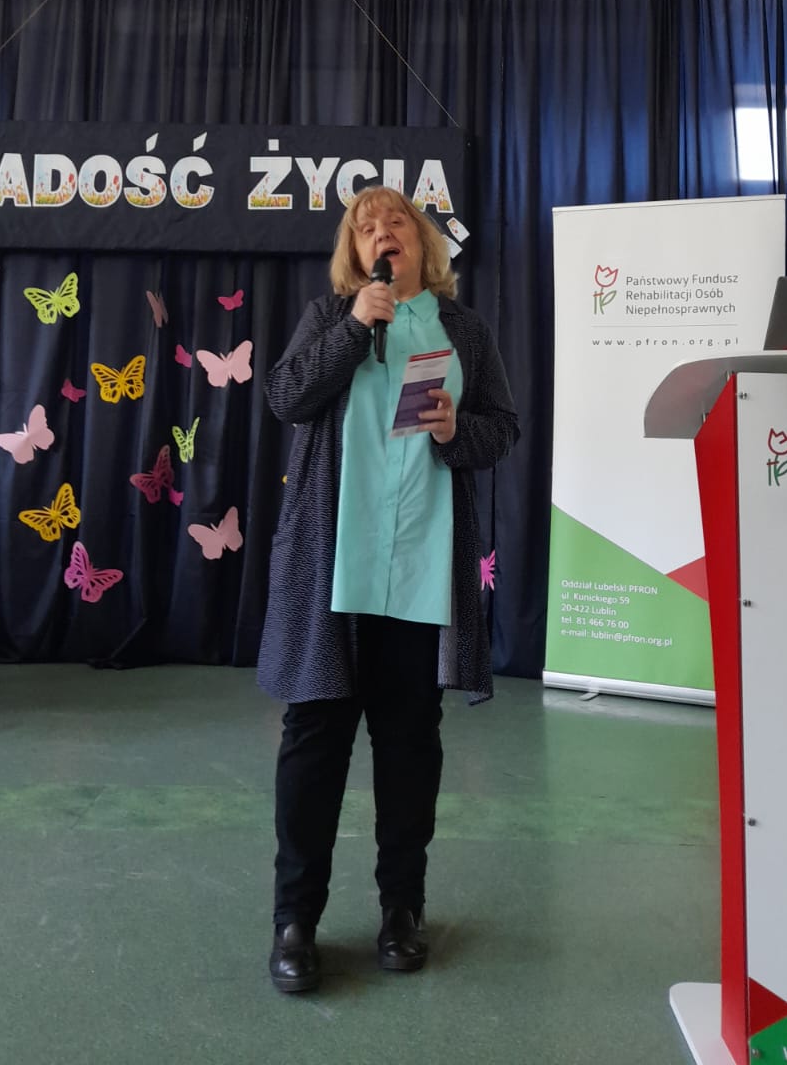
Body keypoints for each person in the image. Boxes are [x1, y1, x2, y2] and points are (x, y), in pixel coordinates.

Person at [259, 186, 519, 993]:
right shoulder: (329, 316)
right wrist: (353, 328)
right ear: (355, 251)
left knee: (409, 746)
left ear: (421, 242)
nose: (382, 233)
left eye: (395, 221)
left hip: (420, 572)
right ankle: (295, 920)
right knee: (314, 743)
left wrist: (454, 430)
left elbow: (501, 428)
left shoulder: (463, 329)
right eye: (366, 226)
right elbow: (286, 396)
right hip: (334, 572)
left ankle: (402, 909)